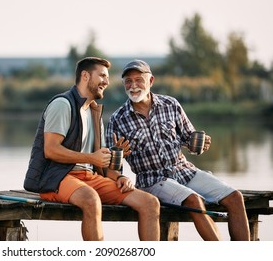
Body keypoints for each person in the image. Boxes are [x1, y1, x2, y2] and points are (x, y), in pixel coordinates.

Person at [106, 59, 250, 241]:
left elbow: (189, 138)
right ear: (123, 85)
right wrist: (117, 155)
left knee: (235, 197)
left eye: (139, 80)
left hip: (184, 171)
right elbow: (111, 168)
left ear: (150, 81)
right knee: (194, 201)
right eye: (128, 81)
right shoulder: (117, 120)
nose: (133, 86)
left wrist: (199, 142)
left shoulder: (171, 105)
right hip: (153, 180)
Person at [24, 57, 160, 241]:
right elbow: (51, 150)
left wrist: (119, 176)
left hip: (88, 178)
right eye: (102, 75)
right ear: (85, 76)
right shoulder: (62, 104)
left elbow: (100, 161)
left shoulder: (94, 111)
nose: (107, 81)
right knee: (91, 200)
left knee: (150, 203)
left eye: (107, 77)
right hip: (56, 177)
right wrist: (91, 158)